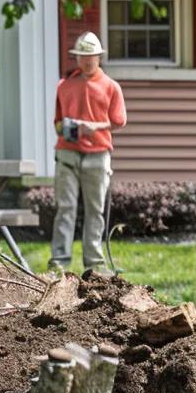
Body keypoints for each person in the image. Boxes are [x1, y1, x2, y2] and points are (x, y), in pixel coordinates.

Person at [50, 31, 126, 275]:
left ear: (99, 57)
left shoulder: (111, 87)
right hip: (67, 154)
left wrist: (96, 127)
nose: (87, 60)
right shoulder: (65, 85)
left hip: (98, 154)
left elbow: (119, 120)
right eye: (82, 56)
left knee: (95, 210)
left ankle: (94, 264)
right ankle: (59, 263)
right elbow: (57, 122)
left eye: (91, 56)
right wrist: (68, 129)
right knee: (66, 208)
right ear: (77, 58)